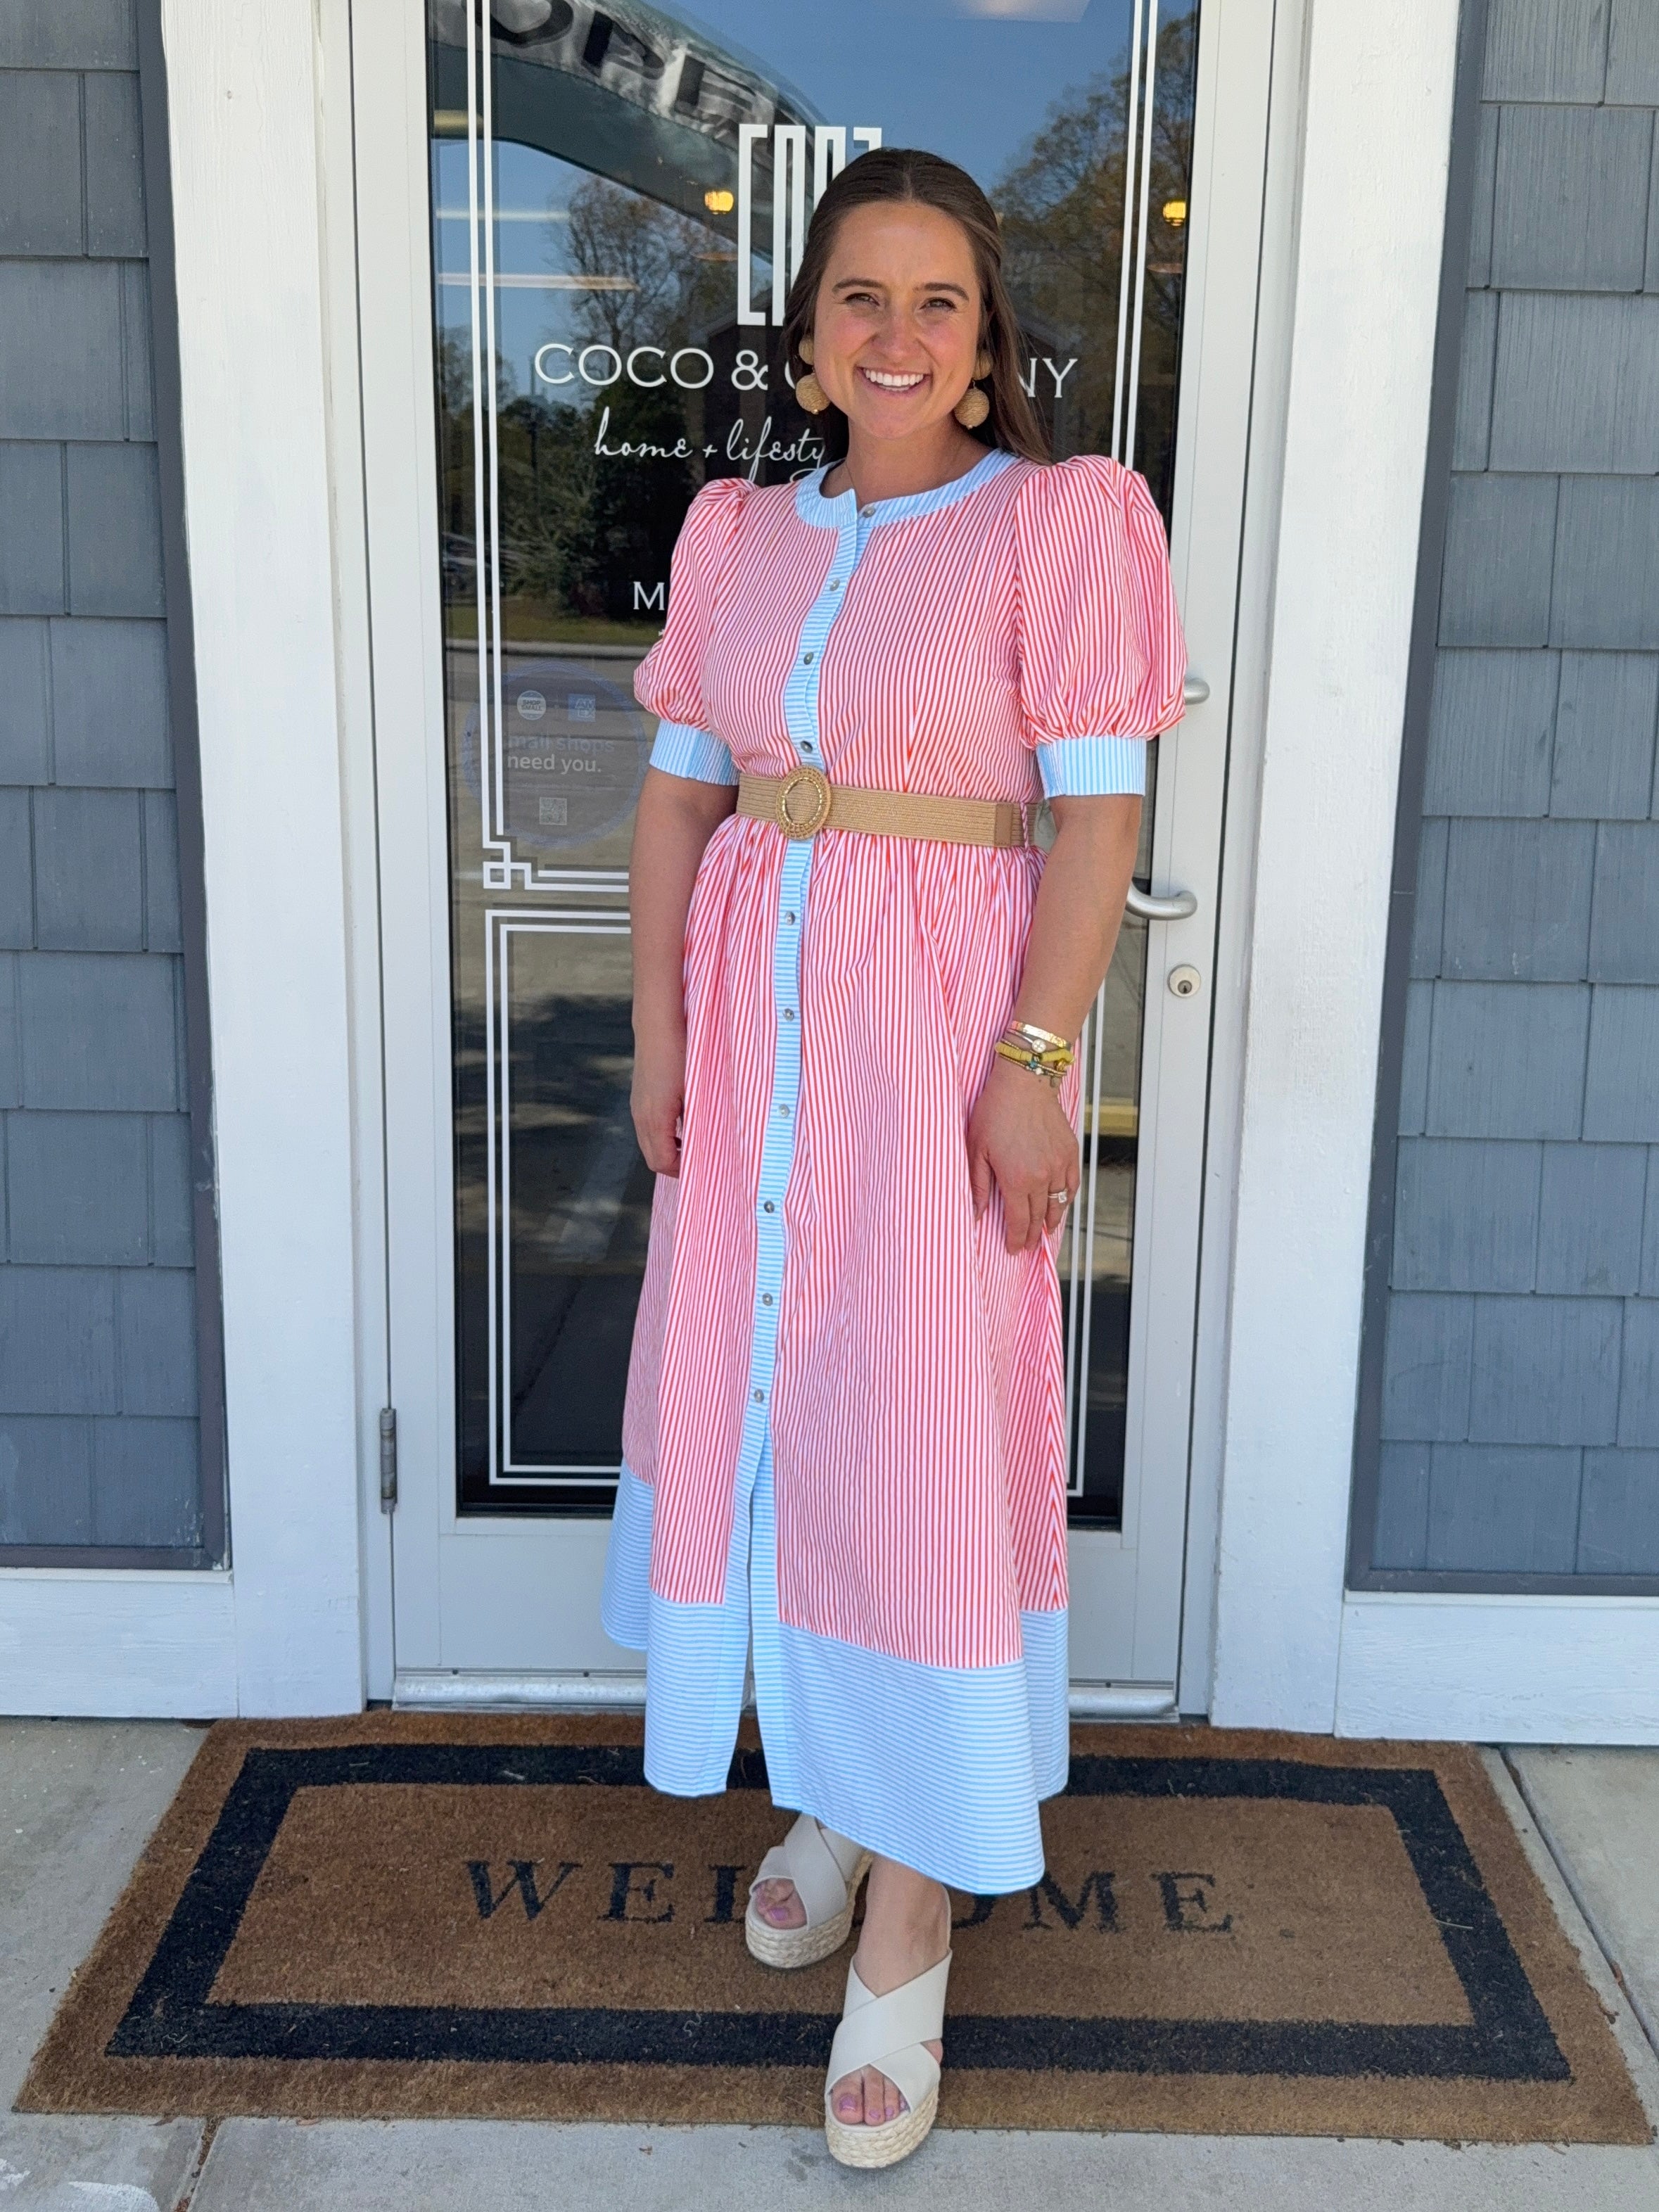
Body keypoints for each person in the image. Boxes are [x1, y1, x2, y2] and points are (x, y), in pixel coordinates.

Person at [602, 145, 1185, 2169]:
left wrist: (1041, 1057)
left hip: (940, 1053)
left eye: (943, 302)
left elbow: (1095, 818)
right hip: (756, 1063)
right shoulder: (738, 535)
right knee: (788, 1419)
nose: (903, 336)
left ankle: (919, 1895)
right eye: (866, 297)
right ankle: (840, 1798)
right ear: (811, 328)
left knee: (914, 1433)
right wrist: (663, 1039)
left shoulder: (1060, 522)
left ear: (988, 337)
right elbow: (683, 809)